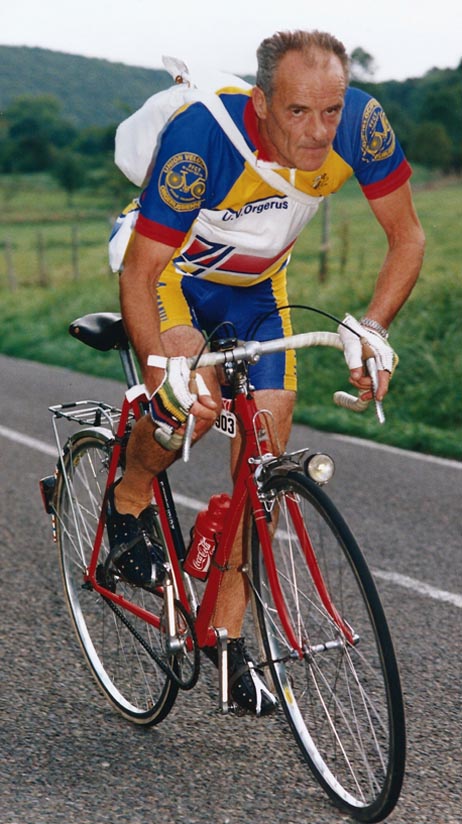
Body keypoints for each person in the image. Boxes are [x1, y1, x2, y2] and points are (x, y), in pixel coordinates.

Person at [106, 29, 425, 715]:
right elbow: (139, 271)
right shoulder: (203, 139)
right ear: (261, 103)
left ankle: (225, 637)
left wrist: (374, 327)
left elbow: (407, 237)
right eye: (297, 111)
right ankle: (128, 502)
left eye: (330, 110)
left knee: (266, 461)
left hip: (256, 289)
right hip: (171, 275)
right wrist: (164, 375)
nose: (318, 132)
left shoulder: (361, 126)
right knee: (188, 406)